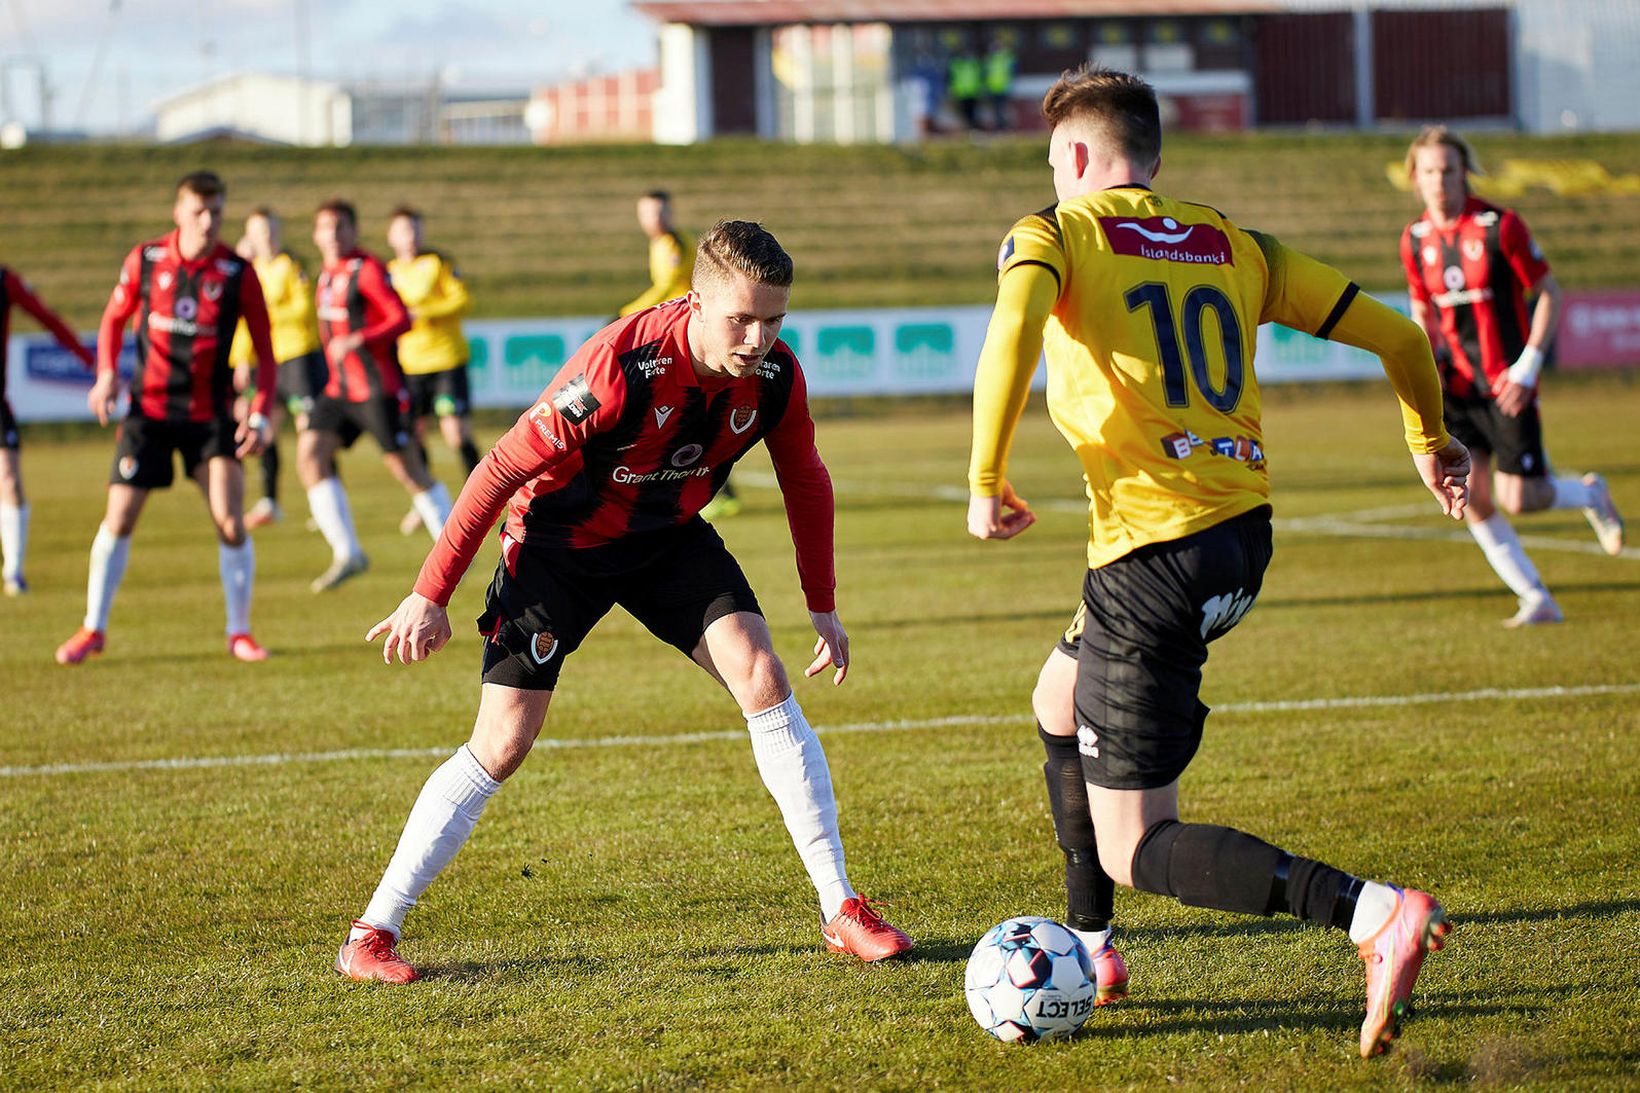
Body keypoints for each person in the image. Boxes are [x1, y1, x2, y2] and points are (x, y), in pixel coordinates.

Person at [965, 67, 1471, 1059]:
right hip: (1240, 538)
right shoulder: (1235, 243)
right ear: (1149, 156)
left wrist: (983, 474)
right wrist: (1428, 438)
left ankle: (1368, 914)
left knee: (1138, 843)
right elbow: (1402, 335)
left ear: (1073, 157)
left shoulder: (1052, 233)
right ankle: (1094, 945)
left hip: (1148, 561)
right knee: (1054, 701)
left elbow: (1013, 327)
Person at [334, 220, 913, 983]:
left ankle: (841, 906)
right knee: (503, 743)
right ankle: (371, 933)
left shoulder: (774, 375)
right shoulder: (622, 364)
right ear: (696, 301)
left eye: (774, 319)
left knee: (762, 673)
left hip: (665, 535)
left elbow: (804, 475)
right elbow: (500, 466)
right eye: (742, 318)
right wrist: (429, 592)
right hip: (557, 546)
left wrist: (823, 604)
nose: (759, 337)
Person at [1401, 125, 1624, 626]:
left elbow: (1549, 293)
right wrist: (1424, 369)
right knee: (1471, 497)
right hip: (1455, 389)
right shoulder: (1414, 240)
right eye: (1429, 171)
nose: (1439, 181)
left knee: (1522, 499)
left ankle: (1590, 493)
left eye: (1448, 170)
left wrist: (1527, 366)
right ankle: (1536, 597)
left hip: (1506, 384)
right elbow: (1423, 310)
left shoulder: (1499, 226)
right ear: (1416, 178)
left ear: (1464, 173)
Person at [55, 170, 275, 665]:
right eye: (198, 211)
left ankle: (239, 632)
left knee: (230, 521)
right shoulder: (147, 259)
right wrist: (107, 373)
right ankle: (93, 628)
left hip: (210, 416)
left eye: (216, 212)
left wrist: (260, 411)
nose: (208, 221)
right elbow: (113, 319)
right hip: (149, 412)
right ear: (178, 213)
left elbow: (266, 351)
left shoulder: (238, 272)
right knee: (119, 517)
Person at [300, 199, 452, 592]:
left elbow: (400, 318)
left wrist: (358, 339)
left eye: (340, 227)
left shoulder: (365, 270)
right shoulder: (326, 275)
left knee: (407, 469)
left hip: (376, 389)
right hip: (339, 391)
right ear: (316, 235)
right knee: (310, 454)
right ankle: (348, 552)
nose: (332, 235)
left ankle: (454, 550)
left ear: (353, 231)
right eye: (325, 228)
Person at [620, 191, 741, 519]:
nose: (654, 219)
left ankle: (714, 490)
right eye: (647, 213)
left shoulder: (674, 243)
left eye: (659, 212)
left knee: (683, 410)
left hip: (683, 331)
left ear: (670, 212)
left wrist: (626, 314)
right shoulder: (660, 244)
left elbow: (667, 286)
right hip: (671, 330)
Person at [226, 206, 327, 530]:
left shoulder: (290, 265)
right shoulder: (249, 272)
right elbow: (244, 324)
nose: (264, 237)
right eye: (257, 231)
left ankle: (323, 503)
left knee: (310, 434)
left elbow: (302, 309)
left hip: (297, 357)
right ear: (249, 236)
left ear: (277, 232)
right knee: (263, 430)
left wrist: (265, 313)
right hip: (265, 362)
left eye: (269, 230)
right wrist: (241, 358)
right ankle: (270, 501)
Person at [0, 264, 96, 596]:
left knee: (9, 479)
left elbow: (47, 319)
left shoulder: (5, 280)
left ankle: (13, 569)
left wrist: (87, 359)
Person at [386, 205, 479, 535]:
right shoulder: (389, 271)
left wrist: (424, 311)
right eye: (402, 230)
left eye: (414, 229)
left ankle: (482, 498)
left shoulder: (437, 262)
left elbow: (462, 300)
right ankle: (425, 501)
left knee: (456, 433)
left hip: (445, 360)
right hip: (410, 366)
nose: (409, 236)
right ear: (391, 236)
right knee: (413, 435)